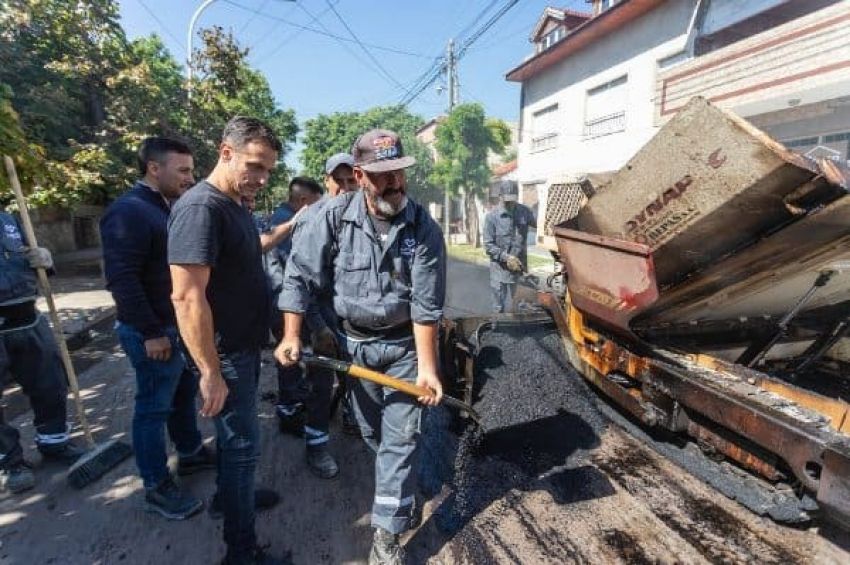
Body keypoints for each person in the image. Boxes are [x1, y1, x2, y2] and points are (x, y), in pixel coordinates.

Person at [276, 129, 446, 565]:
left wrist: (428, 369)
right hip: (355, 347)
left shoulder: (423, 227)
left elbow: (427, 306)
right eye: (382, 175)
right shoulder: (329, 218)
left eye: (399, 174)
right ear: (359, 175)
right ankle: (397, 491)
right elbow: (298, 277)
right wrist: (293, 334)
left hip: (406, 348)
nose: (395, 184)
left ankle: (386, 535)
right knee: (373, 434)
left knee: (400, 440)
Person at [168, 116, 285, 565]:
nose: (260, 178)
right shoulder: (202, 209)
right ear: (225, 153)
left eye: (268, 170)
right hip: (226, 356)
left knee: (238, 445)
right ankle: (241, 551)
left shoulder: (235, 203)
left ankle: (229, 499)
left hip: (242, 347)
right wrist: (211, 371)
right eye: (254, 166)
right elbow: (186, 295)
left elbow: (245, 253)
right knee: (240, 447)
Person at [100, 137, 216, 519]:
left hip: (173, 327)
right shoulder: (129, 211)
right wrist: (151, 332)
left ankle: (190, 454)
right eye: (182, 170)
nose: (190, 177)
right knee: (152, 409)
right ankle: (156, 485)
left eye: (191, 170)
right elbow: (122, 280)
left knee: (181, 396)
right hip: (151, 331)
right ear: (154, 168)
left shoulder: (164, 208)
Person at [0, 213, 85, 493]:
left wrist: (44, 259)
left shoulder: (9, 219)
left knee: (51, 384)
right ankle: (12, 463)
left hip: (28, 317)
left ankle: (54, 442)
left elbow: (30, 254)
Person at [483, 180, 537, 313]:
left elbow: (540, 225)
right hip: (499, 271)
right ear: (500, 197)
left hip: (519, 269)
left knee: (521, 306)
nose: (510, 203)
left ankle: (521, 331)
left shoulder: (525, 212)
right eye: (507, 200)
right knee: (498, 307)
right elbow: (488, 246)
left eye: (512, 200)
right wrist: (506, 257)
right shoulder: (492, 218)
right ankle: (497, 330)